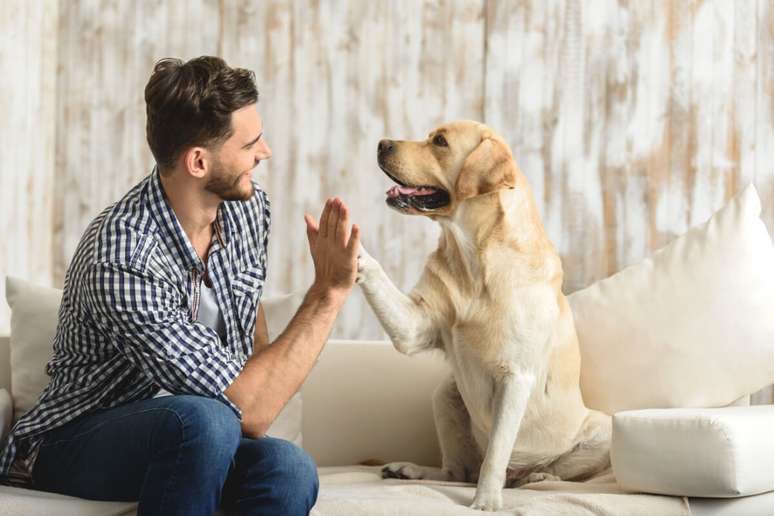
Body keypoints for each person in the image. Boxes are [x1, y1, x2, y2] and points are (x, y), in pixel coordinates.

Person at [0, 55, 360, 516]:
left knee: (287, 468)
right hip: (74, 441)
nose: (264, 152)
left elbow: (249, 325)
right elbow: (248, 408)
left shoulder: (247, 209)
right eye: (250, 142)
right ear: (198, 162)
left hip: (202, 433)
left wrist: (255, 396)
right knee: (204, 419)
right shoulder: (123, 254)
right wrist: (327, 293)